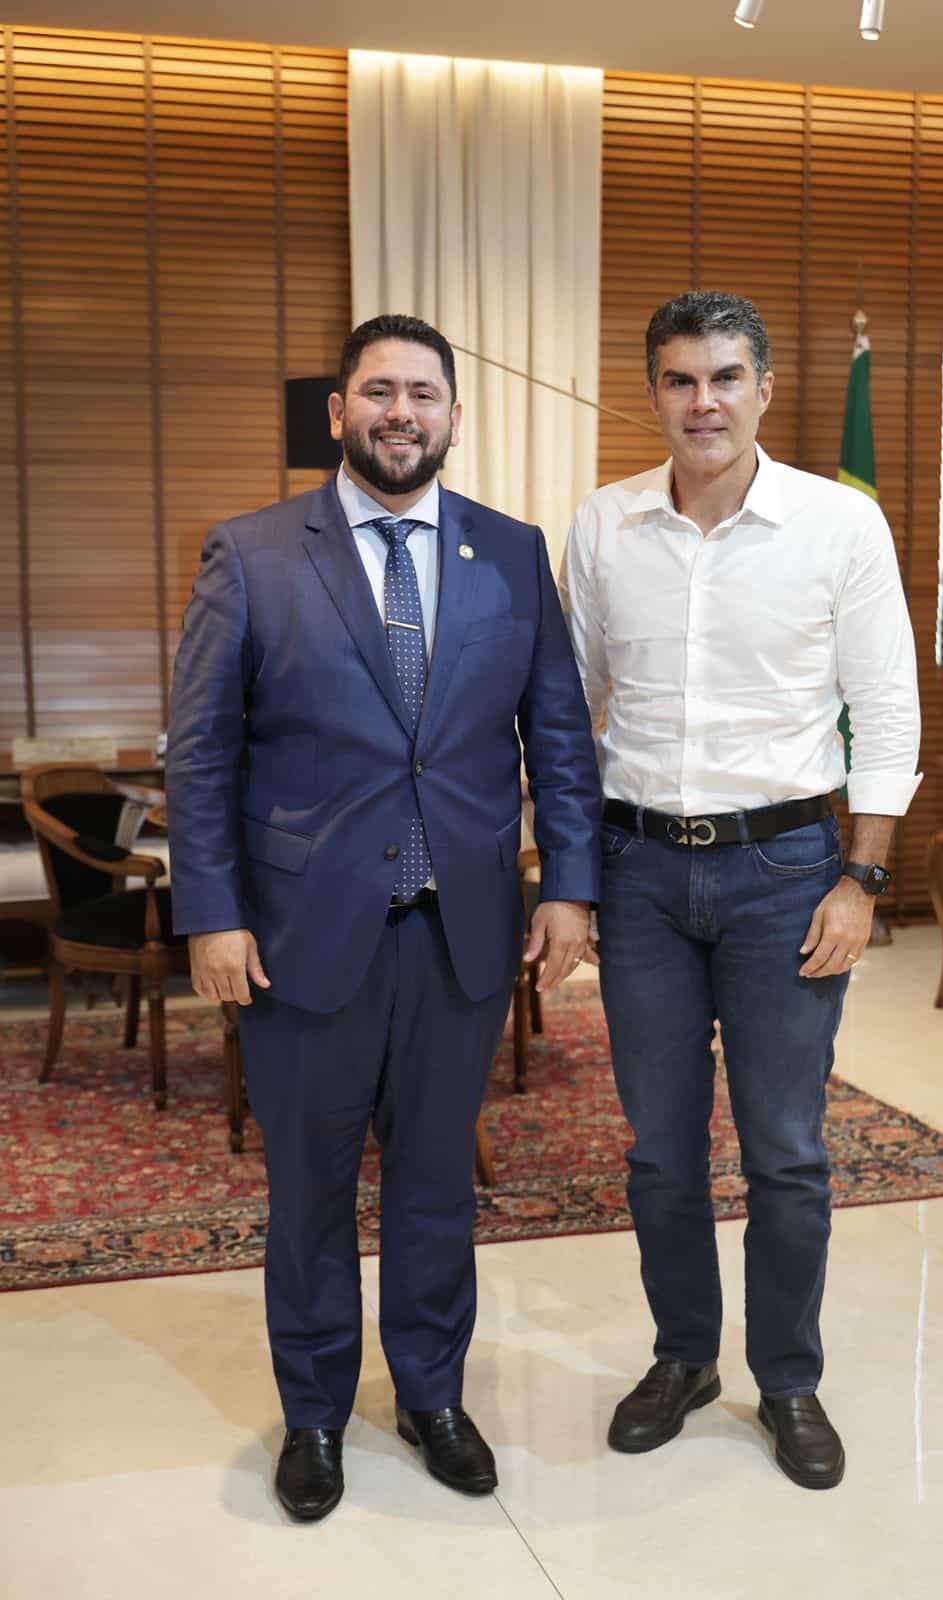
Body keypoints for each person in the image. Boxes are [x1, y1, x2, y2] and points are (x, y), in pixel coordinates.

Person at [166, 314, 601, 1520]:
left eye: (422, 392)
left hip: (462, 932)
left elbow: (558, 738)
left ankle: (431, 1396)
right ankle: (313, 1413)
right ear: (338, 411)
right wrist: (211, 911)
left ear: (455, 415)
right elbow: (200, 752)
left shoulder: (509, 552)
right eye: (377, 391)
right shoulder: (254, 553)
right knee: (308, 1191)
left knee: (435, 1186)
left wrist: (568, 886)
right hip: (300, 937)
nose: (399, 411)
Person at [561, 290, 921, 1491]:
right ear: (653, 394)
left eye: (724, 377)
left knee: (784, 1151)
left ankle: (788, 1378)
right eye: (679, 379)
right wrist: (568, 876)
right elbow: (569, 711)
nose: (702, 401)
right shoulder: (603, 526)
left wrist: (861, 876)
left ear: (764, 389)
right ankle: (683, 1359)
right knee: (661, 1152)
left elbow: (886, 708)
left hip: (786, 876)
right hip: (639, 874)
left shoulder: (837, 524)